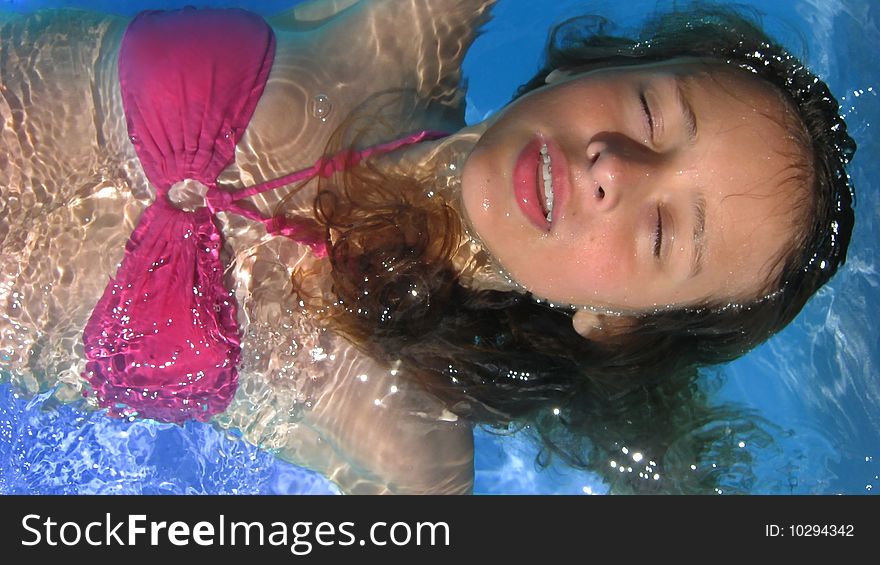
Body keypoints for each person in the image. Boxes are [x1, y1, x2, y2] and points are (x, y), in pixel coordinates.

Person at [0, 0, 855, 494]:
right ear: (579, 70)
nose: (614, 171)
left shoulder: (409, 443)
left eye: (664, 230)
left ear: (614, 321)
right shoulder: (406, 29)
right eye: (649, 112)